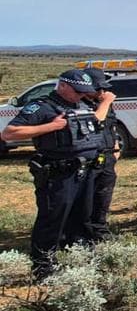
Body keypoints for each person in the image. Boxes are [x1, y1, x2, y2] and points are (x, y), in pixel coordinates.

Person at [1, 70, 106, 278]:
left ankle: (78, 258)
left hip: (84, 171)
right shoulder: (42, 107)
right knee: (52, 220)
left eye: (84, 91)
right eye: (77, 91)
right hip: (58, 174)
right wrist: (53, 126)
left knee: (81, 217)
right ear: (63, 86)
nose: (81, 95)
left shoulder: (82, 104)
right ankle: (43, 267)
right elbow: (9, 133)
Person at [85, 68, 119, 241]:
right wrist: (104, 103)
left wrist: (116, 146)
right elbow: (94, 120)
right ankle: (83, 234)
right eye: (99, 89)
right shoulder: (81, 105)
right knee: (86, 200)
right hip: (88, 159)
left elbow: (111, 126)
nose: (103, 93)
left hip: (107, 157)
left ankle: (100, 230)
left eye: (104, 89)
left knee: (103, 197)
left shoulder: (106, 104)